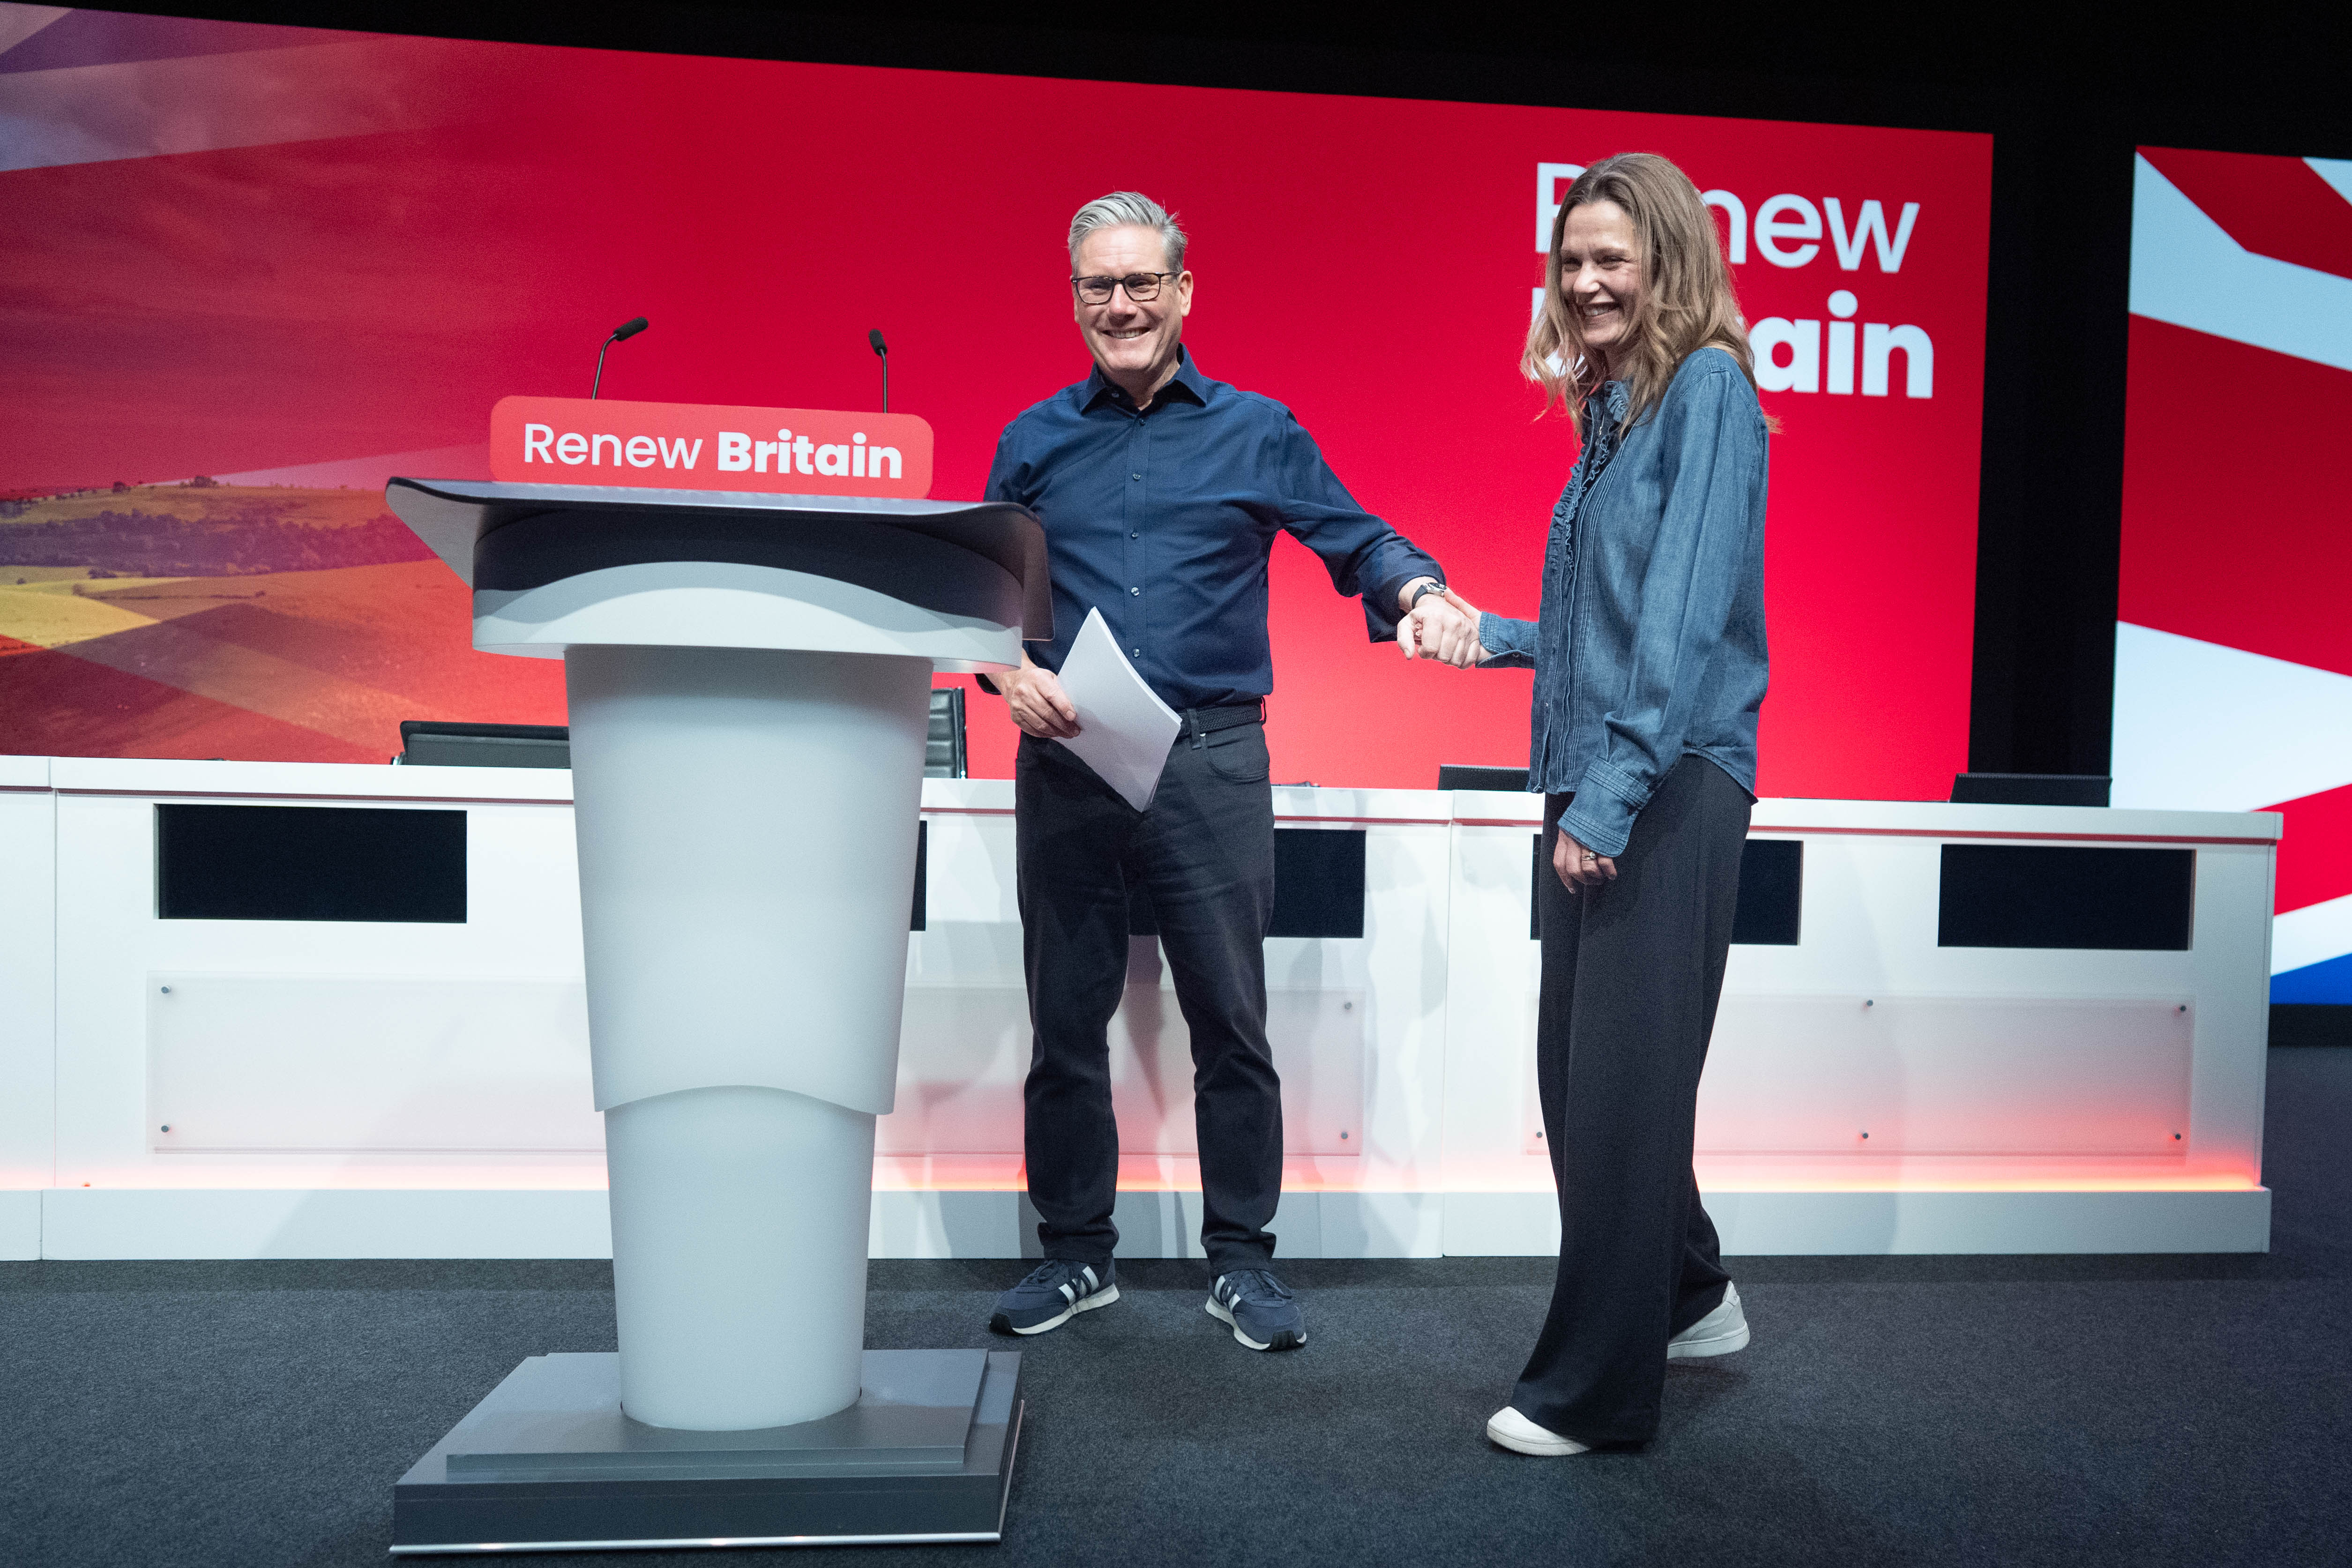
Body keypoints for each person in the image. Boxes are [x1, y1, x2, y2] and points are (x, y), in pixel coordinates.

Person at [980, 191, 1480, 1352]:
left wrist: (1417, 589)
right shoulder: (1031, 439)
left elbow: (1355, 536)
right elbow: (979, 599)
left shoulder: (1258, 430)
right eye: (1097, 287)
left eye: (1140, 282)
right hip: (1066, 757)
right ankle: (1073, 1256)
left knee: (1232, 1023)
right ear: (1074, 301)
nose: (1120, 305)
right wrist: (1003, 672)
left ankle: (1243, 1261)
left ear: (1183, 291)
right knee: (1063, 1023)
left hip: (1211, 755)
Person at [1411, 152, 1771, 1451]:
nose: (1583, 282)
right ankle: (1688, 1291)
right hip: (1607, 775)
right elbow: (1608, 622)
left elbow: (1677, 625)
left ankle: (1595, 1394)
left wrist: (1607, 802)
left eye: (1610, 258)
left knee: (1613, 1094)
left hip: (1662, 787)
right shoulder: (1612, 412)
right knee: (1590, 1090)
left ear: (1667, 262)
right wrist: (1493, 637)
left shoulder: (1709, 391)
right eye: (1570, 261)